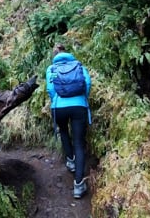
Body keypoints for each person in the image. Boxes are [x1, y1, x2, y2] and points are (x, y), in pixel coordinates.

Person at [45, 43, 92, 199]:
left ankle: (70, 161)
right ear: (68, 53)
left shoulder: (51, 69)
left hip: (58, 107)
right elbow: (87, 83)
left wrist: (56, 101)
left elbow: (50, 89)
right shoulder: (78, 65)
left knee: (63, 131)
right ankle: (78, 185)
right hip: (79, 106)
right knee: (79, 142)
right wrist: (81, 98)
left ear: (55, 55)